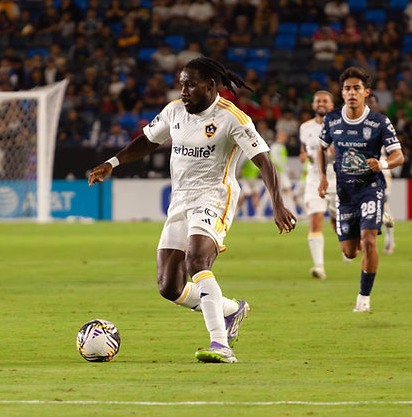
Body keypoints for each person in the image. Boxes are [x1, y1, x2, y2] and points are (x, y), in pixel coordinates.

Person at [89, 58, 297, 363]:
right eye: (181, 83)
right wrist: (112, 163)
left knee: (197, 260)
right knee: (168, 287)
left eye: (189, 84)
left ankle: (221, 345)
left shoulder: (232, 118)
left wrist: (278, 203)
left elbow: (264, 160)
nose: (182, 90)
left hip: (215, 196)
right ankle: (230, 309)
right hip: (181, 200)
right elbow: (148, 140)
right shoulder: (174, 111)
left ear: (210, 86)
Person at [318, 68, 404, 312]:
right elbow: (321, 147)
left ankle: (363, 298)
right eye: (347, 88)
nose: (352, 92)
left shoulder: (379, 121)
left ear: (366, 92)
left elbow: (399, 155)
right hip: (344, 192)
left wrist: (383, 163)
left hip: (371, 188)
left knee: (368, 241)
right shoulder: (332, 119)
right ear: (342, 93)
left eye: (356, 88)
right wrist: (323, 177)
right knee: (351, 252)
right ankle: (377, 219)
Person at [299, 90, 337, 279]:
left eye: (325, 101)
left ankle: (348, 248)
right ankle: (319, 267)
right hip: (314, 180)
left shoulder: (340, 126)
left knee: (339, 225)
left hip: (337, 180)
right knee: (315, 222)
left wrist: (333, 151)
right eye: (317, 101)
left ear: (331, 105)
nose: (321, 103)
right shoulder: (305, 127)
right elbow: (304, 150)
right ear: (313, 105)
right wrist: (303, 156)